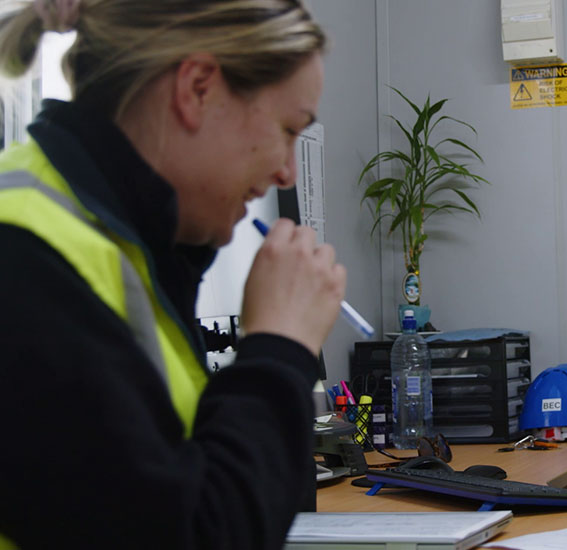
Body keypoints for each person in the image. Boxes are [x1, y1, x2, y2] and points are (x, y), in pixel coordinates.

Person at [0, 0, 345, 547]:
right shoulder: (25, 263)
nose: (285, 169)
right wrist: (280, 347)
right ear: (197, 88)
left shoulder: (125, 249)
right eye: (287, 128)